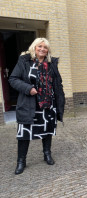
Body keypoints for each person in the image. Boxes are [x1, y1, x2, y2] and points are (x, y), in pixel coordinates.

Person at [9, 38, 65, 174]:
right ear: (34, 47)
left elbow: (57, 83)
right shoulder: (24, 61)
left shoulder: (51, 63)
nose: (42, 49)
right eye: (40, 46)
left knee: (47, 130)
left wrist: (60, 100)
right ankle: (21, 161)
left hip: (48, 104)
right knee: (24, 133)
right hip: (29, 104)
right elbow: (13, 79)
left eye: (45, 47)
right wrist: (28, 88)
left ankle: (47, 154)